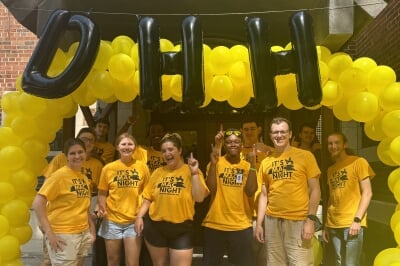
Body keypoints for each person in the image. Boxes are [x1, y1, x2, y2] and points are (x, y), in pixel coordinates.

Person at [134, 133, 210, 266]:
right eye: (163, 151)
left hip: (182, 229)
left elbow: (199, 198)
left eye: (170, 149)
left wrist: (194, 173)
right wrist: (139, 217)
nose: (167, 153)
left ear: (180, 150)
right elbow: (147, 198)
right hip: (156, 227)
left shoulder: (191, 171)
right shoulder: (158, 172)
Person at [255, 117, 321, 265]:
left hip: (298, 220)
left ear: (290, 134)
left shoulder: (305, 156)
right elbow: (264, 195)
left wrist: (311, 220)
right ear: (271, 135)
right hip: (272, 221)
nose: (279, 135)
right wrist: (259, 224)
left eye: (283, 132)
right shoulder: (266, 162)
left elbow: (315, 189)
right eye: (275, 132)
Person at [40, 127, 104, 266]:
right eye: (72, 153)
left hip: (81, 232)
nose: (77, 156)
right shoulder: (59, 175)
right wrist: (48, 231)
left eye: (80, 152)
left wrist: (91, 230)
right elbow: (38, 202)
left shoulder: (83, 178)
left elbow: (83, 206)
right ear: (66, 156)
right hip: (63, 233)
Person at [202, 128, 258, 266]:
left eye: (236, 142)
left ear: (242, 145)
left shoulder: (247, 166)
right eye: (229, 142)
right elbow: (211, 188)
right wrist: (214, 164)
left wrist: (253, 166)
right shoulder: (216, 162)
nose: (233, 144)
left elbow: (251, 191)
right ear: (224, 145)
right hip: (215, 224)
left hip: (241, 225)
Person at [97, 133, 150, 266]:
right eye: (123, 144)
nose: (127, 147)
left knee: (132, 263)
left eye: (130, 144)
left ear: (135, 147)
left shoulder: (142, 167)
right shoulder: (108, 168)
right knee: (113, 261)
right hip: (111, 221)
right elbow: (102, 193)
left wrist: (140, 216)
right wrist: (101, 207)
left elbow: (148, 195)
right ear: (117, 147)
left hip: (134, 221)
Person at [322, 132, 374, 265]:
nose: (333, 146)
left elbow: (367, 193)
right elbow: (331, 198)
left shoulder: (358, 162)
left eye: (337, 142)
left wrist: (357, 219)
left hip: (352, 222)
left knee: (351, 263)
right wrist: (326, 227)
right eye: (330, 143)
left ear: (345, 144)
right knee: (339, 262)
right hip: (333, 224)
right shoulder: (330, 169)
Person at [240, 119, 272, 266]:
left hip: (265, 212)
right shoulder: (236, 151)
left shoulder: (268, 151)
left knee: (265, 258)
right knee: (246, 257)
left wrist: (267, 149)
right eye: (246, 129)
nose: (249, 131)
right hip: (242, 213)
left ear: (259, 129)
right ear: (242, 131)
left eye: (252, 128)